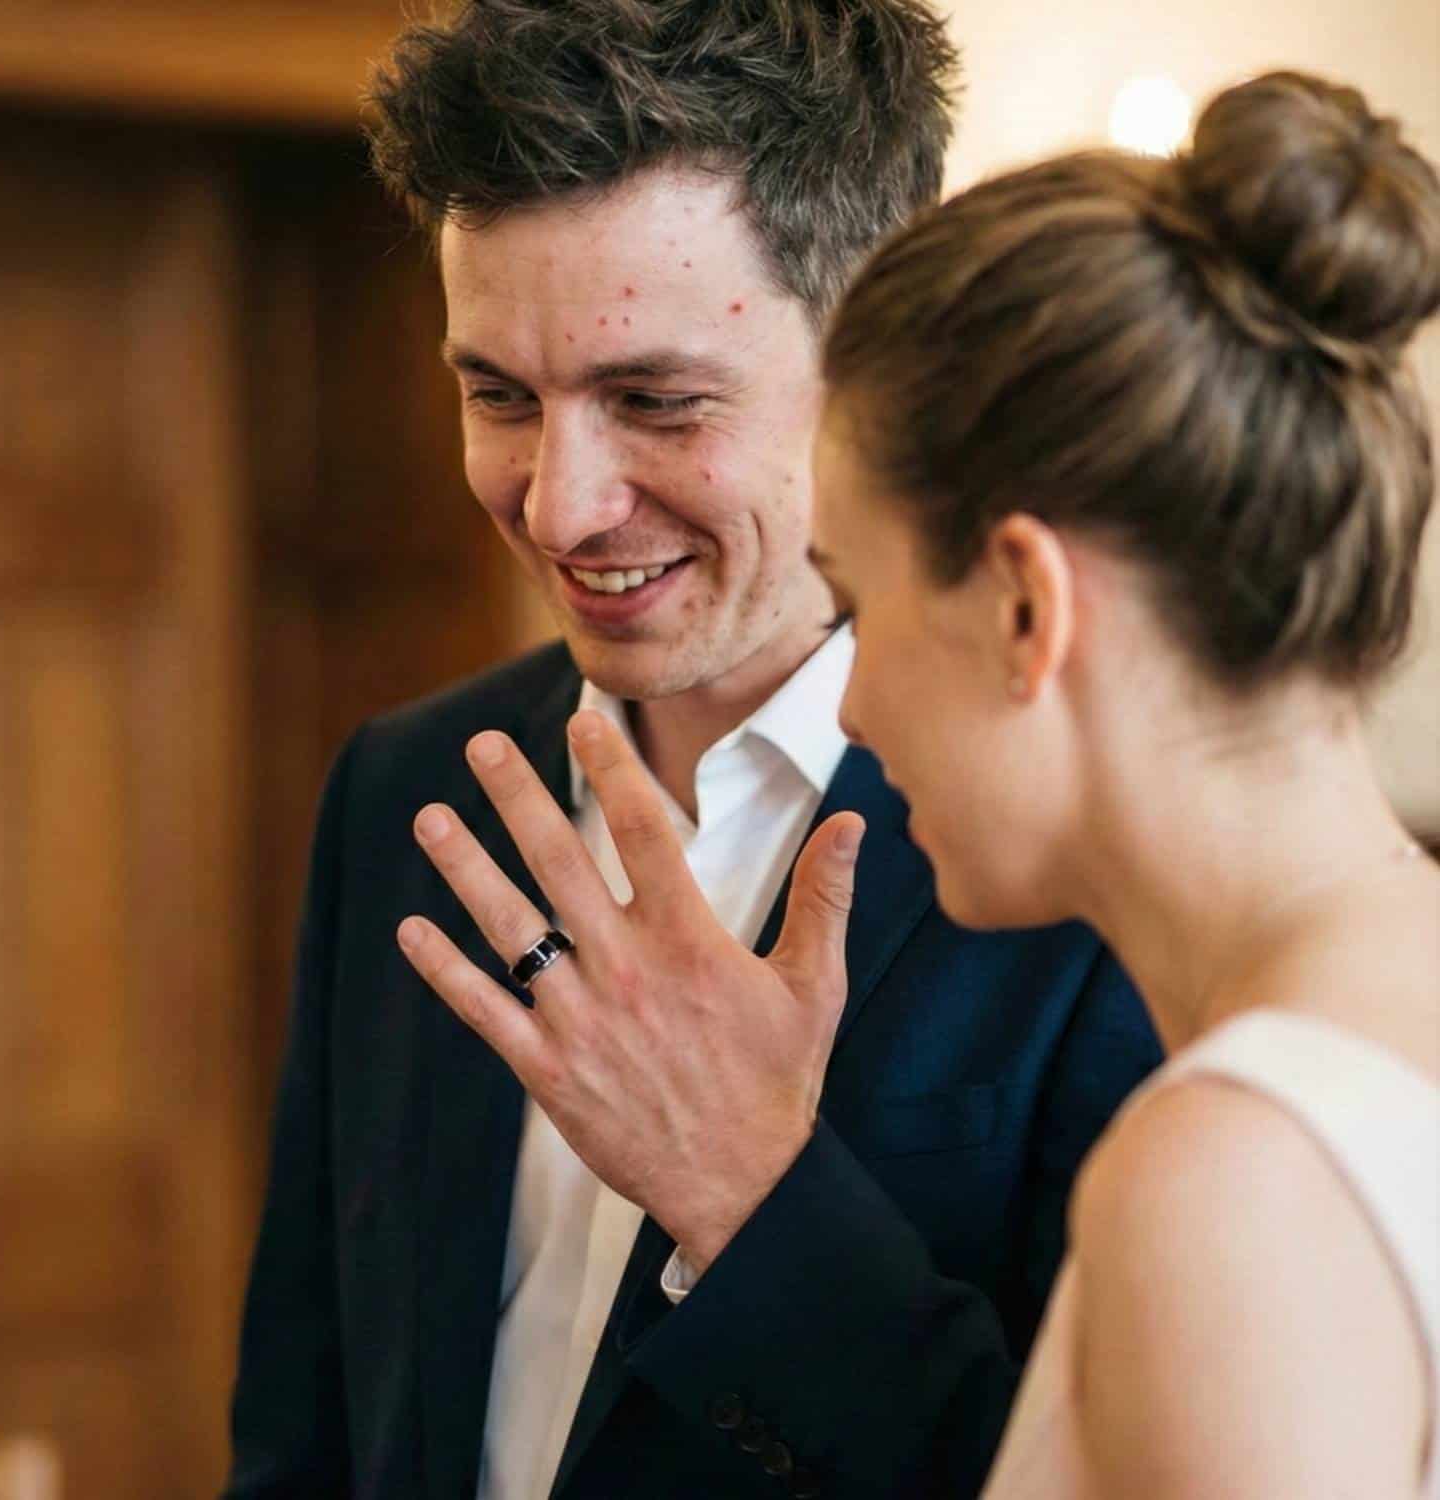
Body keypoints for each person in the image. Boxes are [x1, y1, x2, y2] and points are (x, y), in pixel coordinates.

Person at [409, 68, 1439, 1499]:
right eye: (499, 392)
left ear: (1025, 605)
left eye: (868, 600)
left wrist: (753, 1197)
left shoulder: (1232, 1178)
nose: (862, 695)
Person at [222, 3, 1162, 1499]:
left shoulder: (1099, 868)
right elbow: (307, 1428)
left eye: (655, 401)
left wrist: (752, 1200)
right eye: (498, 397)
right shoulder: (408, 788)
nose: (557, 507)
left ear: (879, 361)